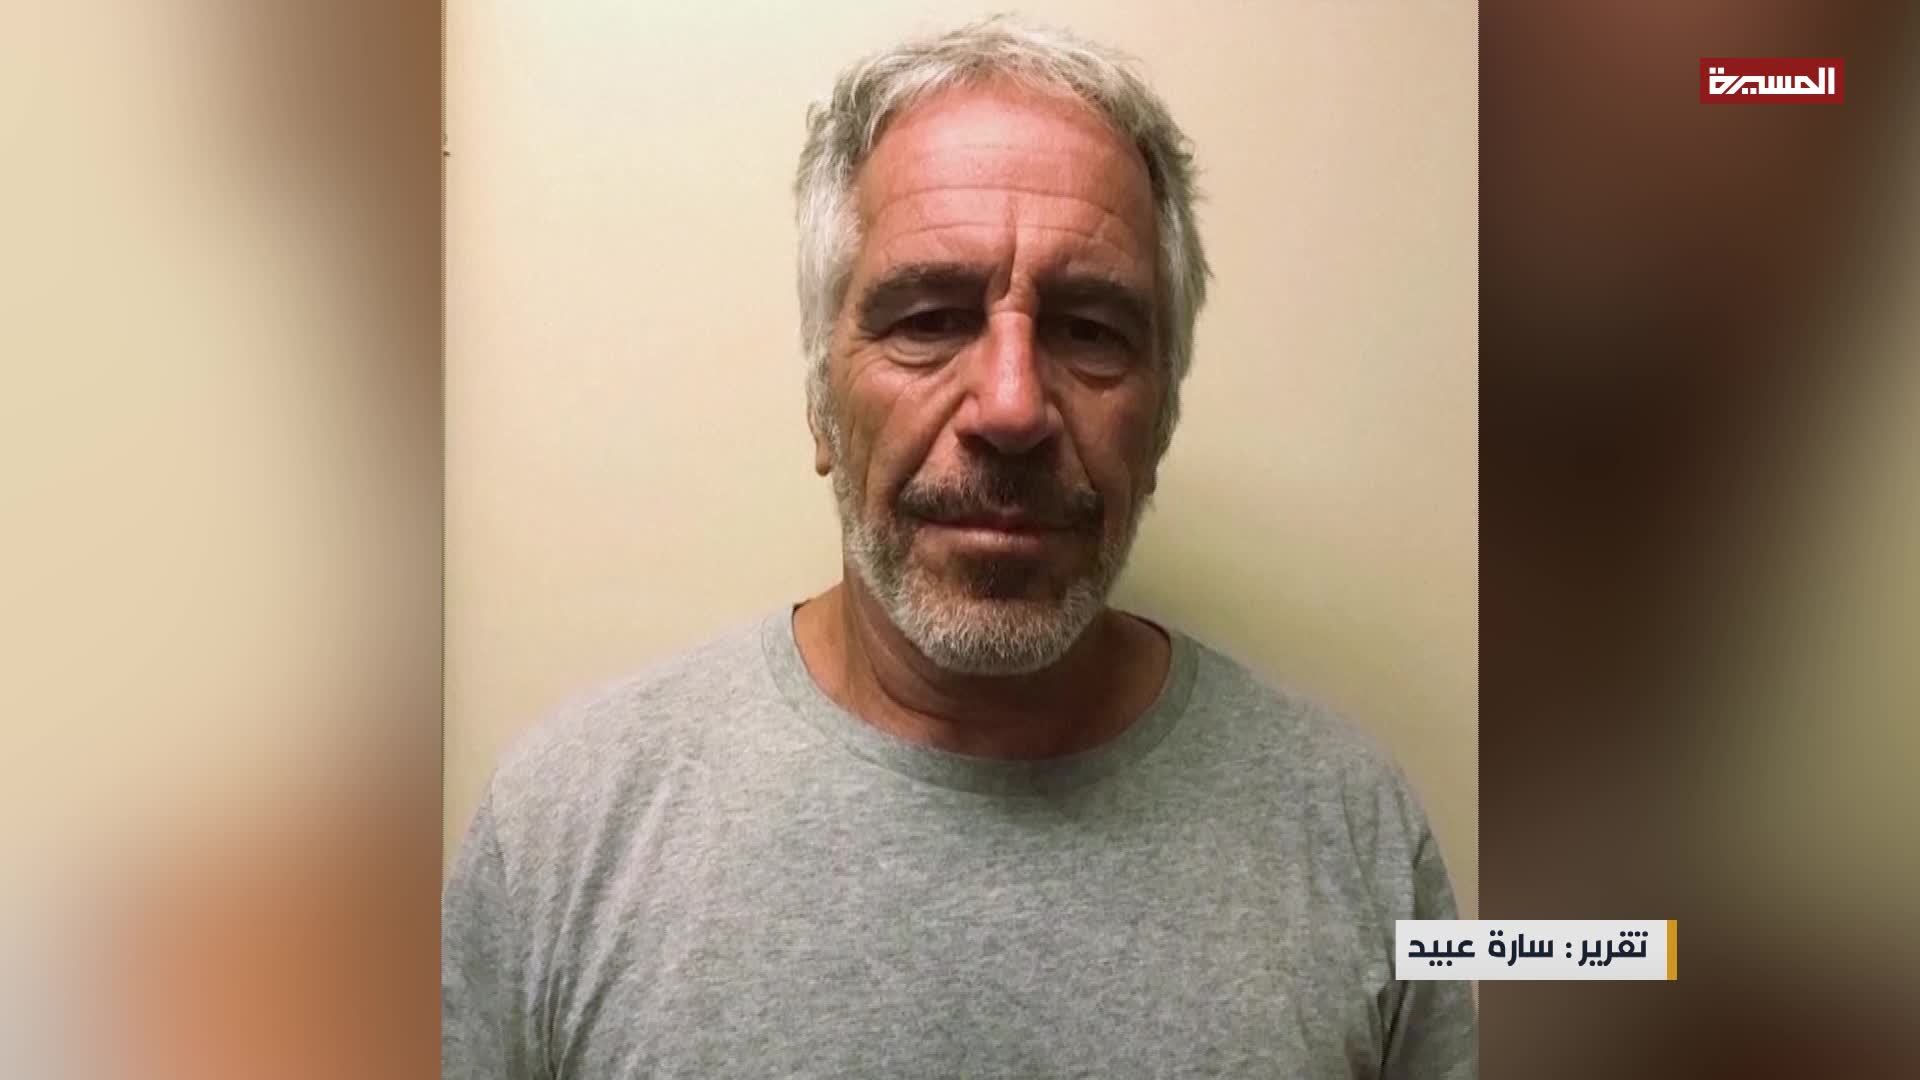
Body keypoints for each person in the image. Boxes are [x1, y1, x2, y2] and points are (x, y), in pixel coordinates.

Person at [443, 16, 1475, 1079]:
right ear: (820, 402)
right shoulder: (561, 841)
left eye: (1089, 331)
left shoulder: (1356, 836)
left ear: (1162, 418)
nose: (1013, 407)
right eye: (929, 320)